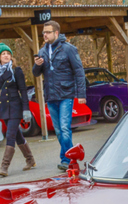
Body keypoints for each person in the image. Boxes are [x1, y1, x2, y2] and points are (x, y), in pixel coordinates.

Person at [32, 20, 87, 171]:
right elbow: (36, 73)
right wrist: (36, 65)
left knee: (64, 128)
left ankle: (67, 159)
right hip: (51, 96)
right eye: (43, 32)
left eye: (48, 32)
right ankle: (71, 156)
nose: (45, 35)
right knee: (57, 130)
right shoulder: (42, 51)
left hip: (66, 95)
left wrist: (81, 94)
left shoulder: (69, 49)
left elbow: (79, 72)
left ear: (56, 33)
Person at [0, 43, 35, 177]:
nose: (6, 56)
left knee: (10, 136)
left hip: (15, 107)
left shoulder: (16, 70)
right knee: (17, 135)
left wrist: (26, 109)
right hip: (3, 108)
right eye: (3, 54)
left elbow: (23, 90)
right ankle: (30, 159)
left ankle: (4, 166)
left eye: (8, 54)